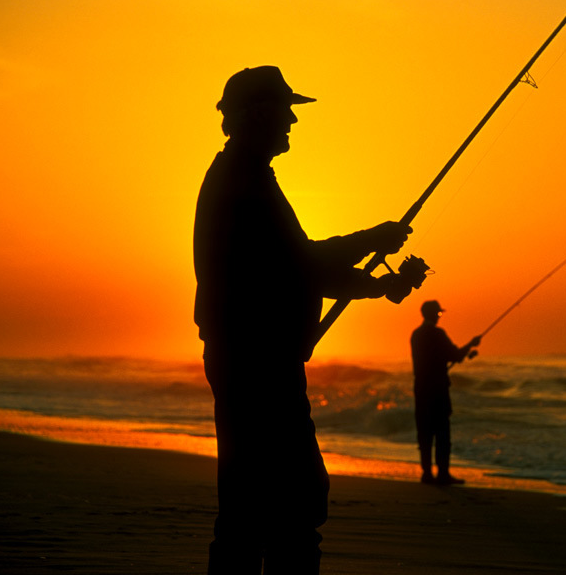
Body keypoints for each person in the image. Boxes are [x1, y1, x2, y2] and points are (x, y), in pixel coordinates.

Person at [194, 65, 414, 575]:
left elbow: (292, 269)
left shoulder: (244, 176)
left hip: (252, 360)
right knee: (293, 505)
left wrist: (377, 286)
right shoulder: (241, 181)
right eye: (286, 109)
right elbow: (302, 264)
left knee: (249, 509)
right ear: (257, 114)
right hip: (257, 364)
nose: (293, 120)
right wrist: (372, 240)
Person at [410, 300, 481, 485]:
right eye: (439, 314)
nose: (439, 317)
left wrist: (464, 353)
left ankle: (426, 474)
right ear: (433, 314)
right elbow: (454, 355)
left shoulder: (416, 335)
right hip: (438, 388)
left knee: (424, 432)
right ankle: (443, 474)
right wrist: (471, 345)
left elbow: (443, 356)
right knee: (442, 432)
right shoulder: (437, 333)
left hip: (421, 387)